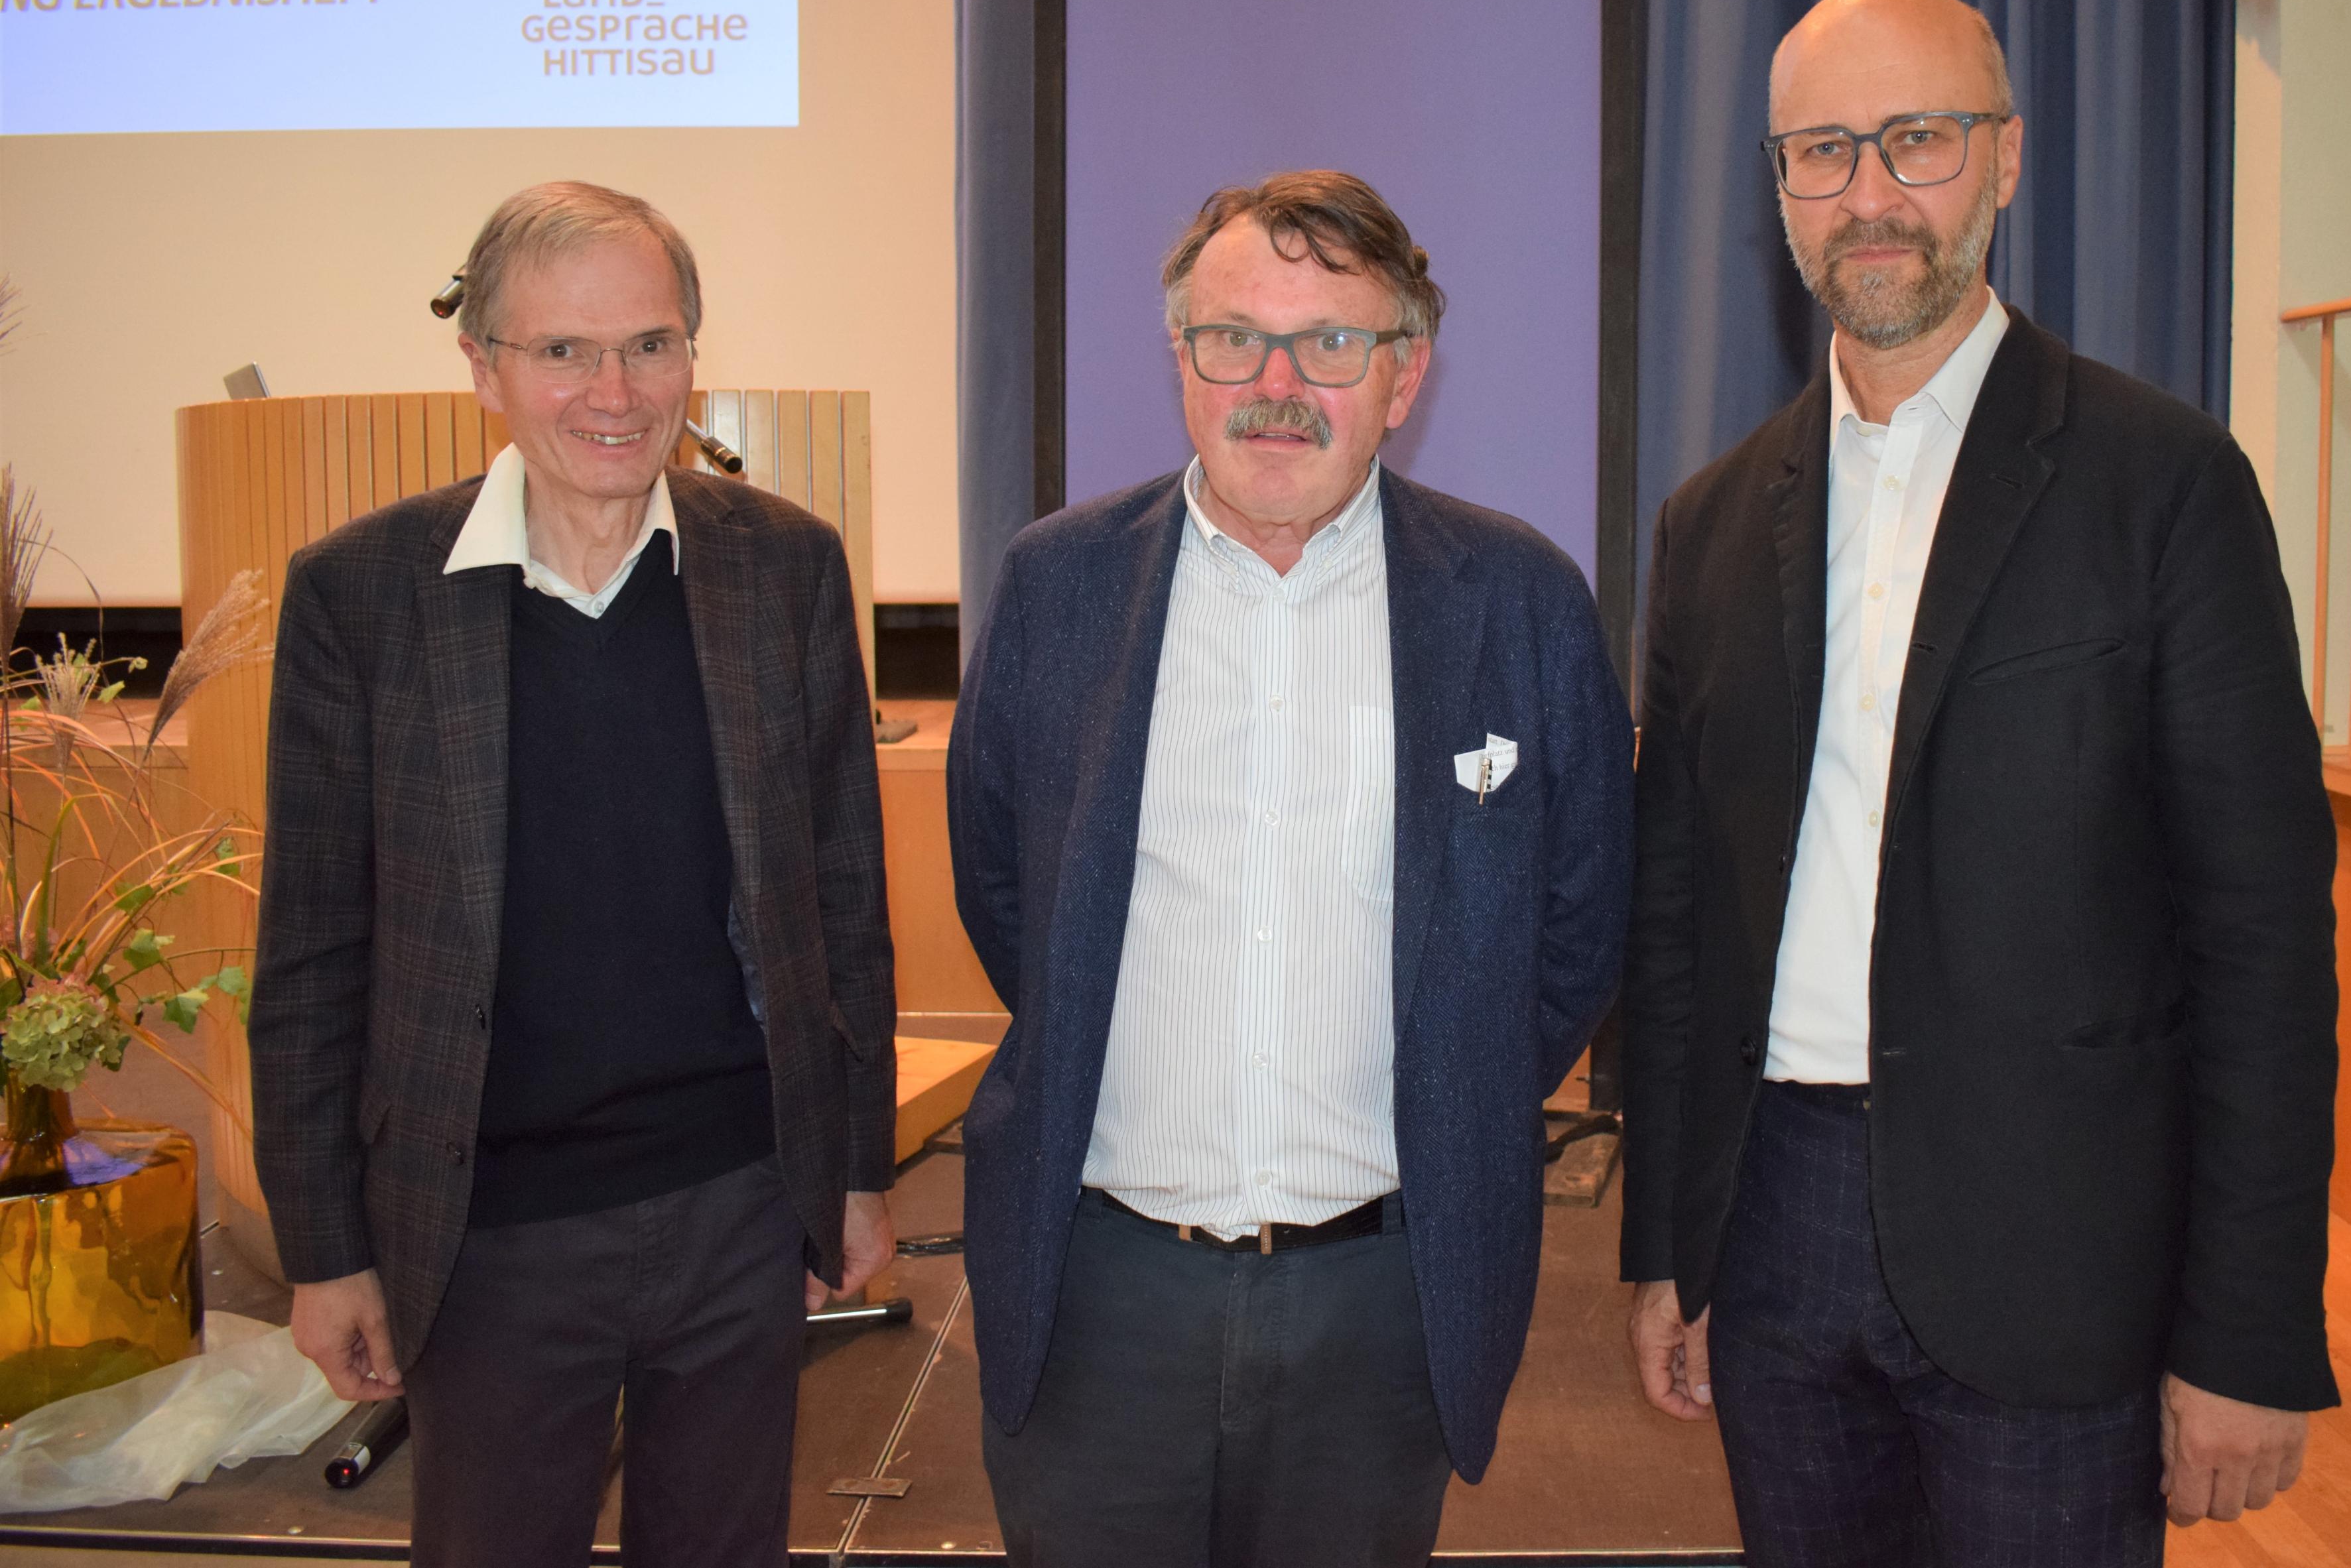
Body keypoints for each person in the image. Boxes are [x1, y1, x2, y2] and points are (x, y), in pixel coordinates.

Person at [1620, 0, 2340, 1565]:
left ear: (2004, 159)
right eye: (1821, 151)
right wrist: (1665, 1245)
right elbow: (1674, 926)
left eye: (1918, 139)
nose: (1868, 193)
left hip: (2057, 1245)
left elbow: (2262, 941)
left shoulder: (2162, 486)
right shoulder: (1709, 524)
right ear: (1778, 188)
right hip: (1774, 1233)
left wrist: (2246, 1332)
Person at [948, 169, 1634, 1567]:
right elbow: (1004, 886)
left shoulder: (1520, 600)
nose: (1275, 385)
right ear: (1180, 357)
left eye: (1328, 343)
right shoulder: (1056, 585)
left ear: (1404, 374)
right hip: (1098, 1291)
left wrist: (1454, 1095)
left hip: (1382, 1306)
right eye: (1233, 339)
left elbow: (1578, 928)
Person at [250, 180, 899, 1567]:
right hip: (488, 1231)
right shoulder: (362, 594)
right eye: (563, 351)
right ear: (483, 367)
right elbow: (310, 955)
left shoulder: (784, 567)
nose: (616, 392)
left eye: (650, 345)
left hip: (738, 1204)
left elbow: (843, 899)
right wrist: (323, 1247)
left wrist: (851, 1167)